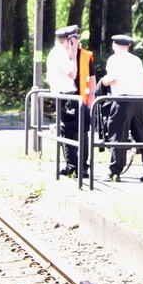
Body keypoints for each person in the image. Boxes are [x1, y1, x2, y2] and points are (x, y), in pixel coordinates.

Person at [99, 34, 143, 182]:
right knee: (141, 135)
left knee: (118, 135)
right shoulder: (136, 60)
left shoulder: (114, 59)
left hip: (122, 100)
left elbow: (112, 78)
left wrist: (103, 82)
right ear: (128, 46)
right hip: (139, 99)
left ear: (114, 45)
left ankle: (115, 171)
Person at [46, 25, 90, 176]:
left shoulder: (57, 52)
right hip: (66, 97)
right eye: (75, 39)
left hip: (65, 97)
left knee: (72, 132)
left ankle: (73, 166)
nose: (77, 42)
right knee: (77, 128)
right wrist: (72, 54)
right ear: (69, 41)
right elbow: (72, 74)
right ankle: (77, 166)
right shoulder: (61, 53)